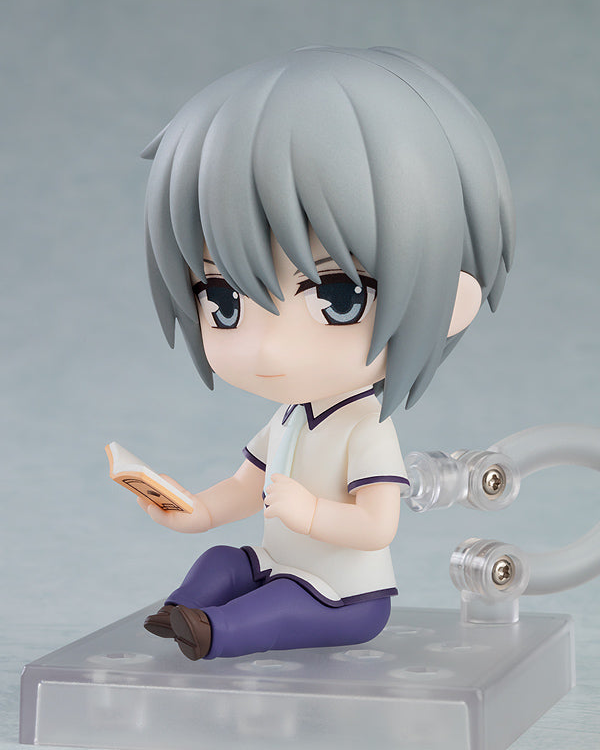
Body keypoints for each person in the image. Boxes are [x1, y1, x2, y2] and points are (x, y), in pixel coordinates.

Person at [137, 45, 515, 660]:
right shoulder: (289, 417)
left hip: (344, 596)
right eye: (223, 300)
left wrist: (309, 512)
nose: (267, 345)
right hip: (279, 564)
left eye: (338, 296)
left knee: (279, 607)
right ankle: (183, 612)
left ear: (448, 299)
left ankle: (215, 633)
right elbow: (246, 485)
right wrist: (196, 510)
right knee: (221, 561)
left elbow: (377, 526)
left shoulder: (366, 430)